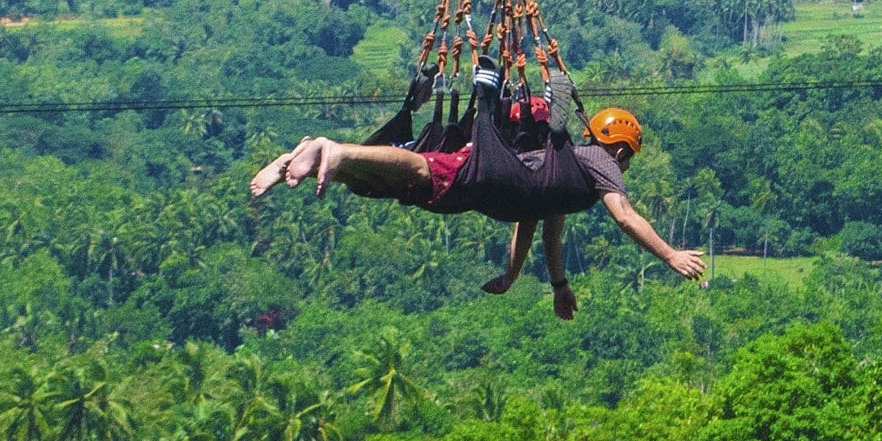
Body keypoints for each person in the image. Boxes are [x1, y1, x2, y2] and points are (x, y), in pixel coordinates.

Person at [250, 93, 704, 320]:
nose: (624, 170)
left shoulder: (565, 176)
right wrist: (669, 255)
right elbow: (625, 215)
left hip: (491, 187)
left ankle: (307, 157)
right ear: (621, 150)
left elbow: (543, 227)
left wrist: (542, 281)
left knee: (393, 186)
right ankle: (336, 150)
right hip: (481, 171)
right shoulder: (600, 164)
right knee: (422, 170)